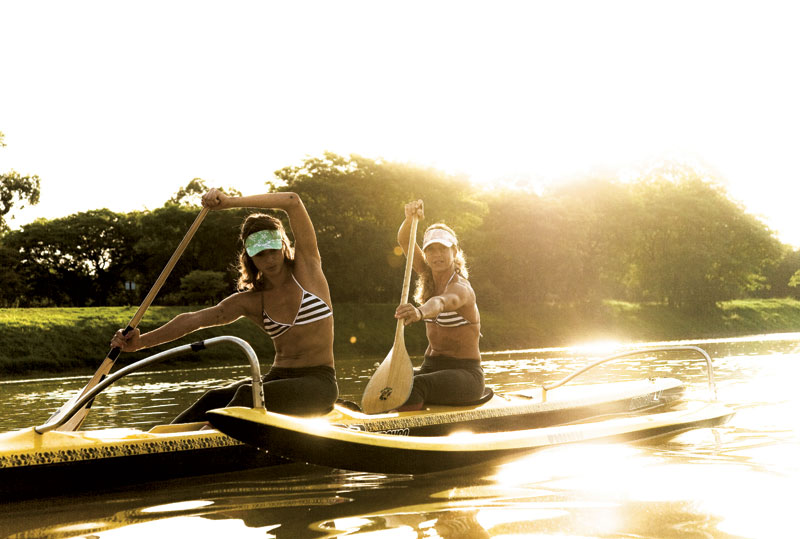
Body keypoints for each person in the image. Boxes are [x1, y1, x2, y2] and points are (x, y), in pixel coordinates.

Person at [111, 188, 338, 422]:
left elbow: (293, 201)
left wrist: (228, 202)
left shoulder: (308, 269)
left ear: (283, 246)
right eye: (260, 254)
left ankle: (201, 446)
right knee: (213, 398)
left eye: (273, 251)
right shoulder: (250, 300)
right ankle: (159, 447)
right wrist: (139, 343)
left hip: (318, 383)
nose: (269, 259)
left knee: (246, 394)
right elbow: (194, 320)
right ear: (250, 257)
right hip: (277, 378)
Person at [393, 199, 483, 411]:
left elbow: (441, 302)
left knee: (415, 385)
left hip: (466, 375)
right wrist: (409, 219)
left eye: (443, 249)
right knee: (392, 380)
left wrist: (419, 312)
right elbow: (405, 240)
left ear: (455, 252)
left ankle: (404, 432)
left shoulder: (461, 288)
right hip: (431, 366)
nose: (437, 255)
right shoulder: (426, 274)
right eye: (431, 250)